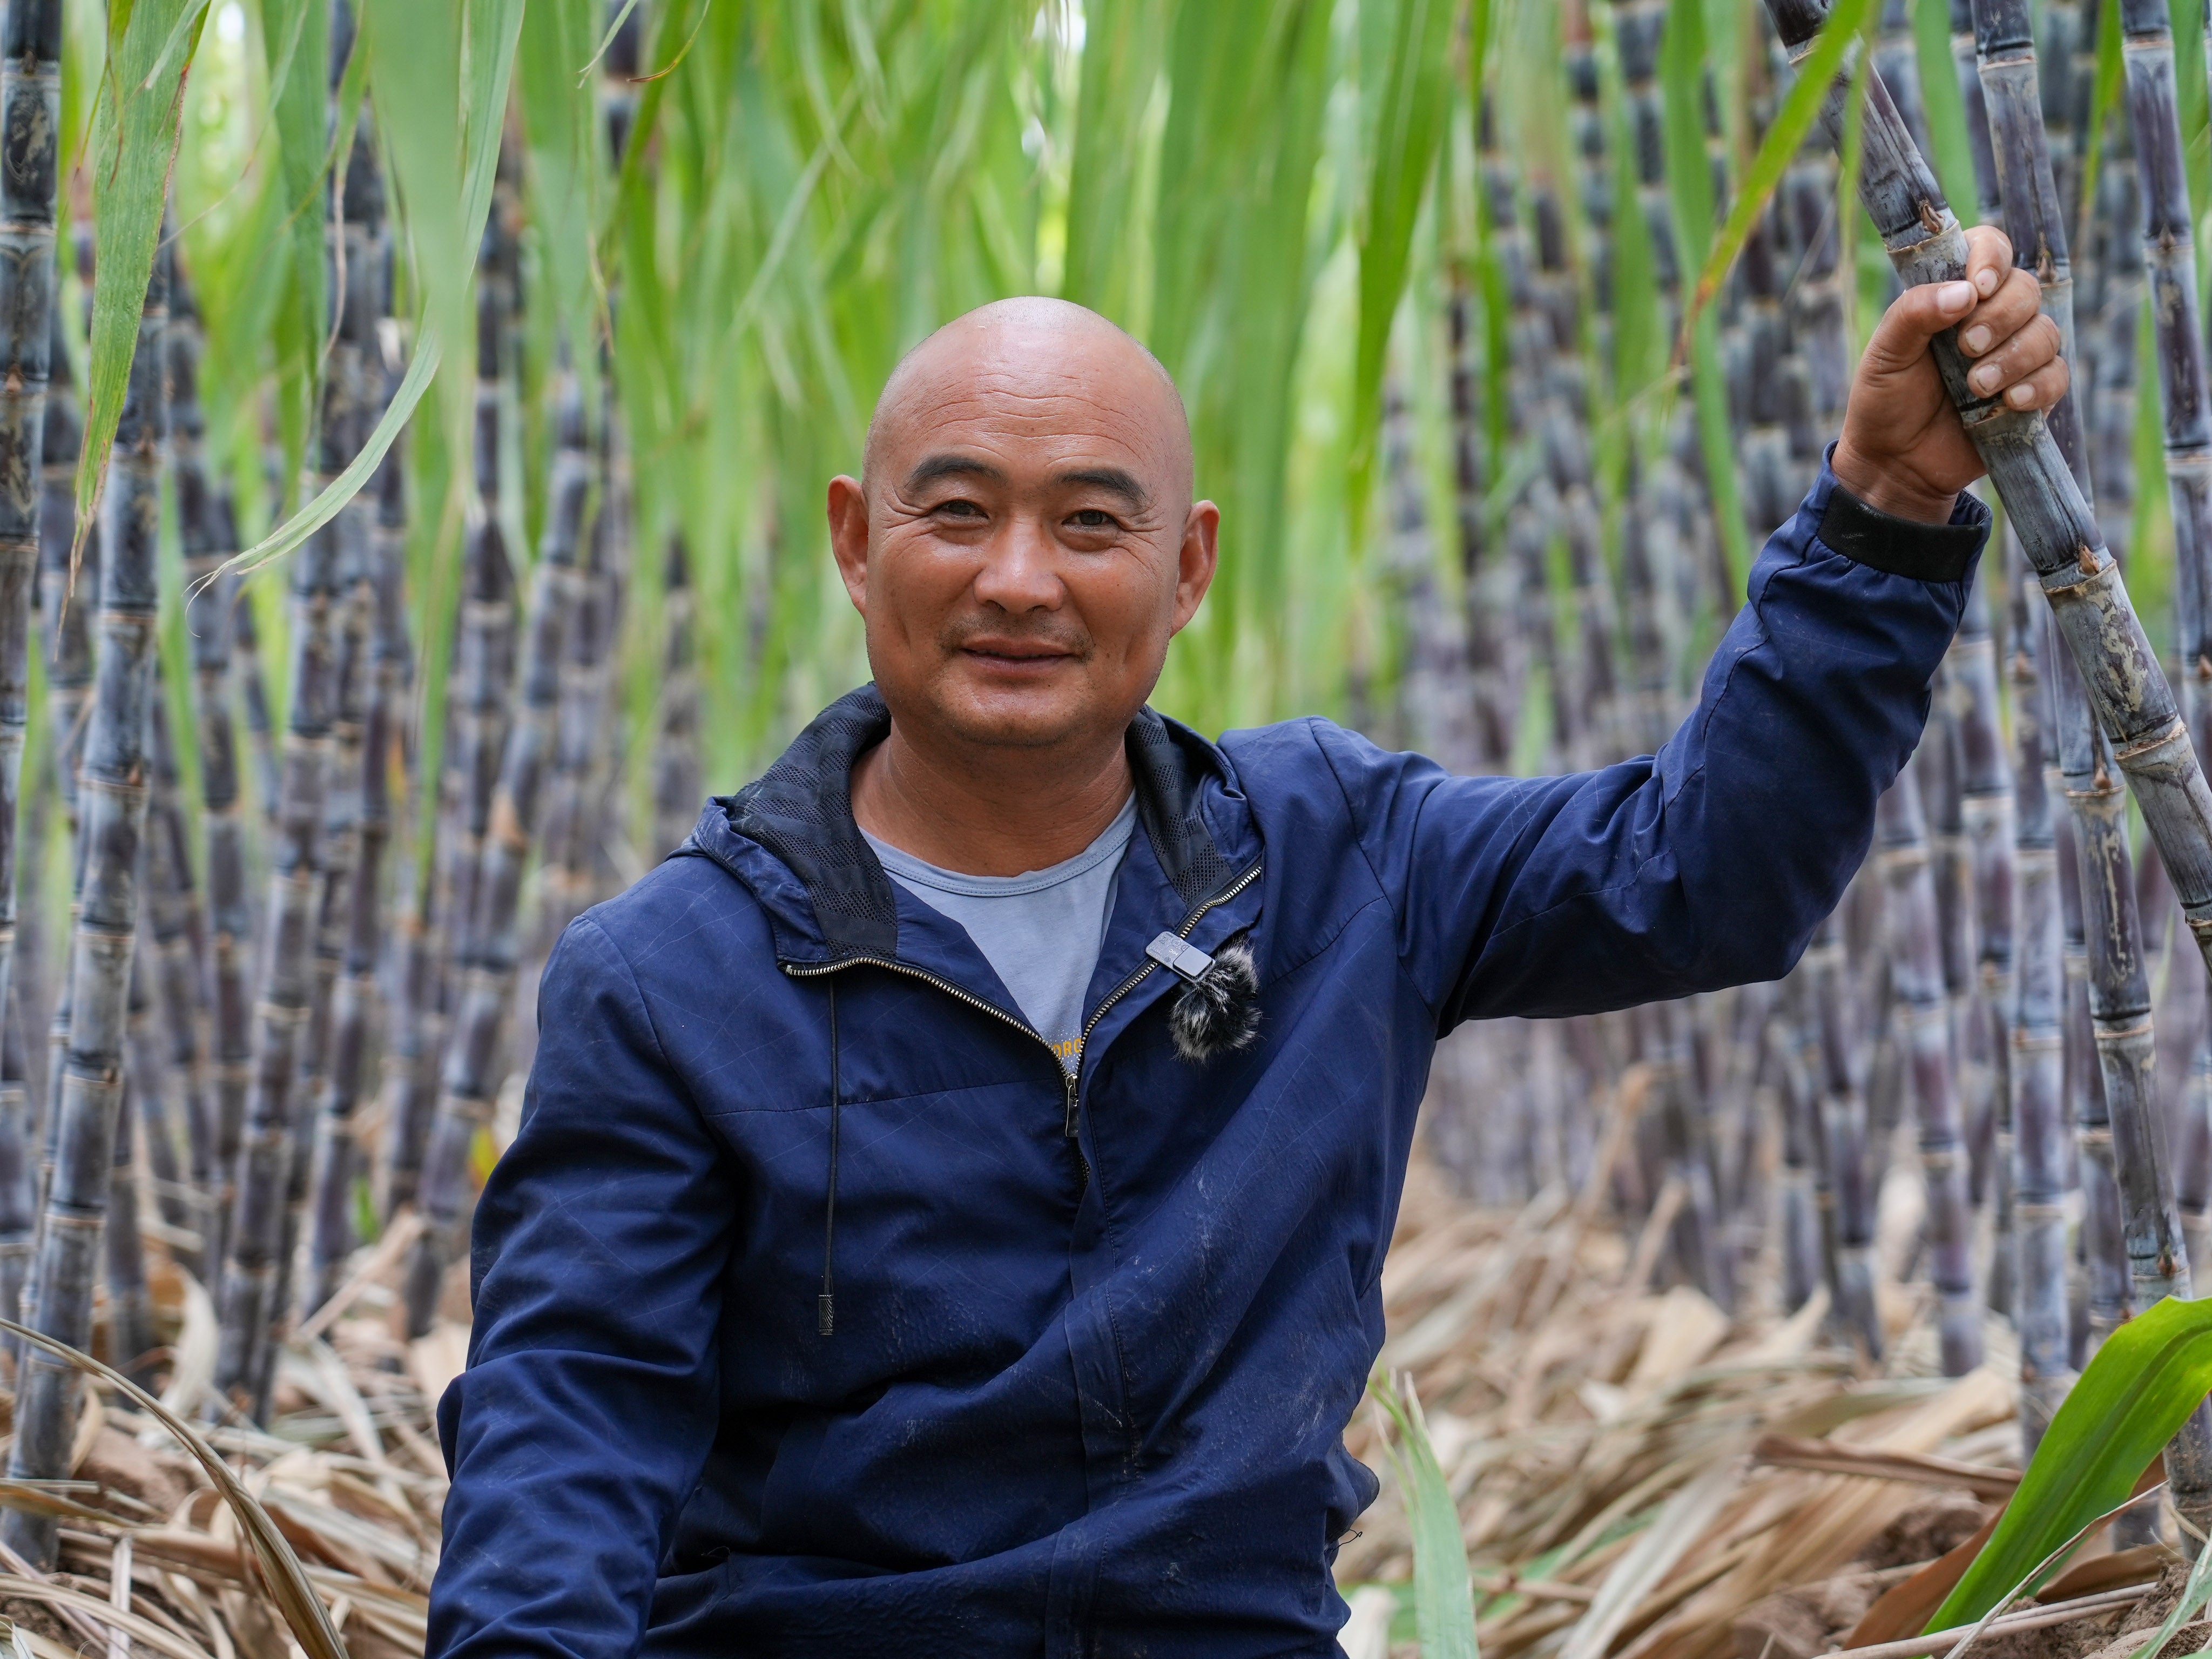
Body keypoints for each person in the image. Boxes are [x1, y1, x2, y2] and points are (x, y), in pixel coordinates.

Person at [428, 225, 2061, 1658]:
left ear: (1186, 565)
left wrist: (1891, 505)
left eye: (1088, 523)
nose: (1018, 580)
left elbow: (1705, 873)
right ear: (858, 543)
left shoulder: (1336, 858)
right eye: (957, 513)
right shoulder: (673, 980)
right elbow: (572, 1420)